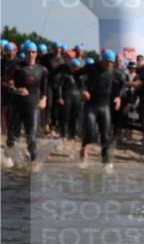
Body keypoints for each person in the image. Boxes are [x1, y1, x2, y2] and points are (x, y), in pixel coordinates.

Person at [4, 40, 47, 168]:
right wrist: (17, 90)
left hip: (33, 107)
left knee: (32, 137)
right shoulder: (17, 68)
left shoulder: (42, 70)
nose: (30, 55)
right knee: (12, 138)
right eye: (28, 52)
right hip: (16, 106)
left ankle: (32, 164)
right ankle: (9, 164)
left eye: (33, 52)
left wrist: (44, 100)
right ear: (24, 53)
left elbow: (45, 89)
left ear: (36, 53)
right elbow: (8, 85)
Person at [79, 49, 124, 167]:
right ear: (102, 60)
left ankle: (106, 160)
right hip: (91, 105)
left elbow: (123, 83)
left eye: (111, 62)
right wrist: (82, 90)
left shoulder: (114, 72)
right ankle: (84, 146)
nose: (109, 64)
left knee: (105, 135)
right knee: (90, 134)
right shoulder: (91, 67)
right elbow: (76, 75)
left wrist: (119, 97)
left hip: (105, 107)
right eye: (107, 62)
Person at [55, 57, 84, 139]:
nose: (76, 68)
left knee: (74, 116)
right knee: (65, 115)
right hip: (67, 96)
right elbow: (59, 86)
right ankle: (63, 132)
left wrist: (82, 100)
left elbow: (82, 88)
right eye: (75, 66)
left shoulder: (80, 76)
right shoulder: (65, 74)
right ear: (71, 66)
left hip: (76, 97)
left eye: (77, 67)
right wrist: (59, 97)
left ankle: (73, 133)